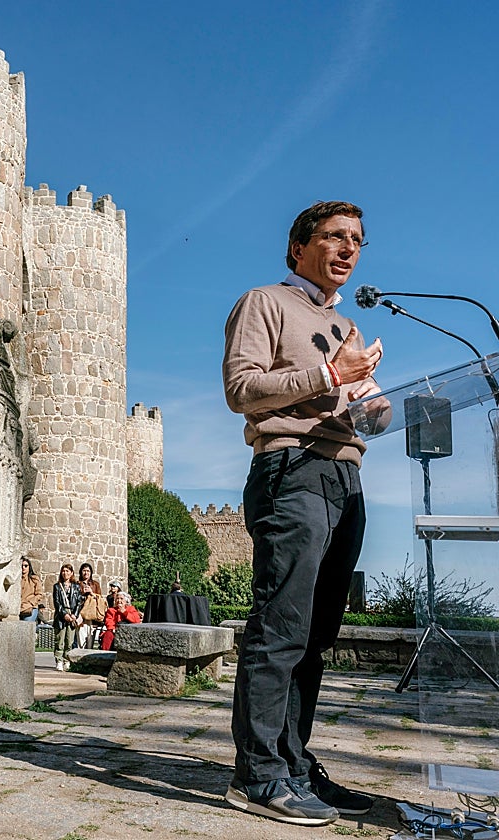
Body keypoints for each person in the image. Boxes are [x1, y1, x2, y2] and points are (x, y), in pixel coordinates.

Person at [222, 201, 384, 825]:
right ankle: (257, 776)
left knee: (315, 637)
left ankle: (292, 764)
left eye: (358, 241)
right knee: (281, 625)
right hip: (292, 470)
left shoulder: (345, 325)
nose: (348, 249)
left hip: (347, 477)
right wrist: (327, 374)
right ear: (298, 247)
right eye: (335, 237)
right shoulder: (264, 302)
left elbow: (358, 403)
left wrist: (373, 401)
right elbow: (242, 389)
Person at [51, 563, 82, 671]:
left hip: (72, 614)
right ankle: (59, 660)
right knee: (59, 640)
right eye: (63, 571)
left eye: (67, 571)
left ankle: (67, 660)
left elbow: (79, 602)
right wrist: (64, 614)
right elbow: (57, 602)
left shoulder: (76, 586)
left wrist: (74, 614)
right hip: (61, 615)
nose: (65, 573)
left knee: (69, 641)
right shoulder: (57, 586)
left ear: (72, 573)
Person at [77, 562, 104, 648]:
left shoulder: (95, 584)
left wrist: (92, 593)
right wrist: (82, 593)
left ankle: (88, 655)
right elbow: (74, 599)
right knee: (81, 640)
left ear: (91, 572)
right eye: (84, 571)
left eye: (88, 571)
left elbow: (100, 599)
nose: (86, 573)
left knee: (90, 640)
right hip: (81, 614)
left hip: (92, 615)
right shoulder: (77, 584)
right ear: (81, 572)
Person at [19, 557, 43, 623]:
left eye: (25, 566)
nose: (23, 567)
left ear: (29, 567)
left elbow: (39, 594)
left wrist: (30, 603)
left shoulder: (34, 579)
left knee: (26, 625)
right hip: (18, 608)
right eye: (21, 566)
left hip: (30, 608)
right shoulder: (17, 580)